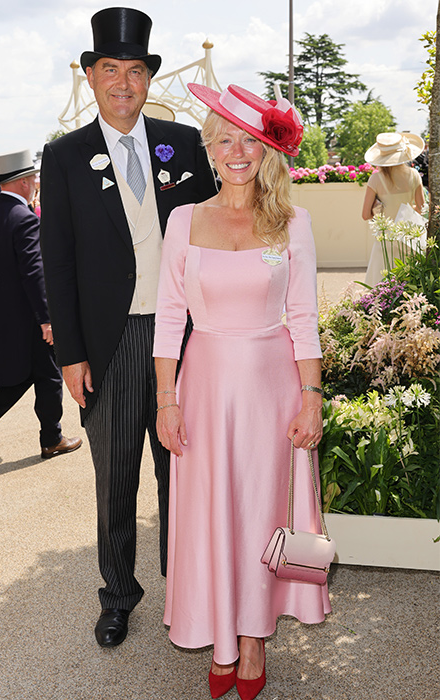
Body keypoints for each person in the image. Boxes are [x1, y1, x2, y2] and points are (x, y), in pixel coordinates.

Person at [39, 7, 216, 648]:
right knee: (115, 478)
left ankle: (187, 587)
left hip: (183, 344)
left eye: (134, 69)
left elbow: (213, 238)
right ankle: (118, 595)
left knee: (183, 473)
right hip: (109, 348)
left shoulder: (184, 143)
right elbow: (56, 260)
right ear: (92, 77)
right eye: (110, 69)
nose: (123, 82)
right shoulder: (63, 157)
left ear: (148, 78)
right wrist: (72, 354)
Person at [153, 83, 331, 700]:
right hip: (203, 387)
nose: (236, 151)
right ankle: (221, 631)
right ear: (207, 148)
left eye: (249, 141)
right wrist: (166, 400)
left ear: (266, 152)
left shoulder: (294, 222)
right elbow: (169, 318)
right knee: (211, 511)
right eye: (223, 138)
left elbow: (304, 316)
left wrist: (311, 397)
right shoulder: (183, 220)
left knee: (263, 510)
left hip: (271, 386)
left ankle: (252, 641)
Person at [0, 149, 82, 462]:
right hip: (27, 315)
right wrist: (46, 319)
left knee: (32, 373)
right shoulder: (24, 218)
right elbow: (33, 272)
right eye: (34, 179)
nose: (36, 184)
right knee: (49, 374)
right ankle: (50, 438)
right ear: (25, 183)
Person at [362, 132, 425, 286]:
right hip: (409, 237)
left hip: (386, 238)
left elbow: (365, 214)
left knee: (381, 287)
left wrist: (380, 209)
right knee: (409, 287)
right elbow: (421, 208)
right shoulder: (414, 175)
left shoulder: (375, 179)